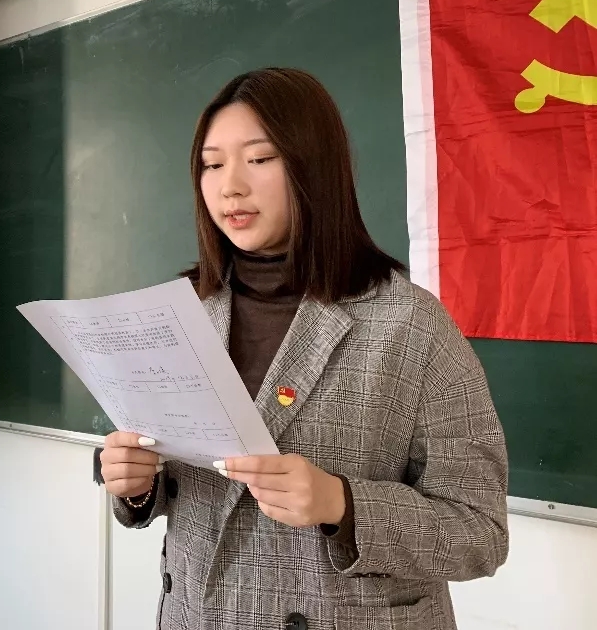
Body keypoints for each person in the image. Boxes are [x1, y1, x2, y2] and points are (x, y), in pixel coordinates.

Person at [98, 68, 509, 630]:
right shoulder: (182, 312)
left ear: (313, 166)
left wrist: (342, 504)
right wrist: (134, 484)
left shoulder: (408, 322)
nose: (230, 186)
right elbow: (179, 483)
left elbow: (480, 531)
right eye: (212, 165)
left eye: (259, 158)